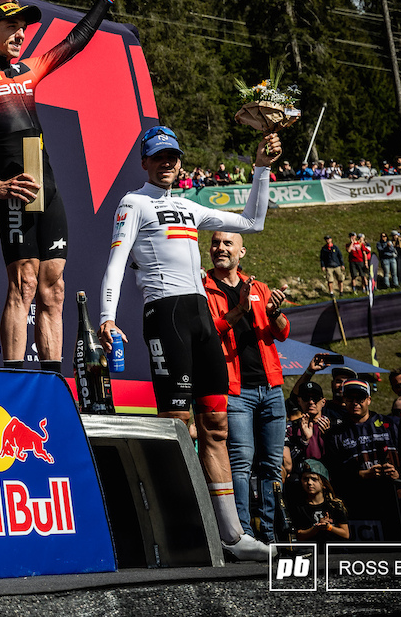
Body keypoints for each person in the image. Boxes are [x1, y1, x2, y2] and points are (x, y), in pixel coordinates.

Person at [98, 123, 280, 561]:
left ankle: (233, 536)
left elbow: (253, 221)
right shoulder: (133, 202)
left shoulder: (189, 206)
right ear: (145, 162)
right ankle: (181, 528)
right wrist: (107, 317)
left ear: (181, 162)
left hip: (200, 317)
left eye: (173, 157)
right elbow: (117, 262)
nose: (167, 164)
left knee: (216, 427)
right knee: (178, 425)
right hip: (166, 315)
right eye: (158, 157)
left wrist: (259, 169)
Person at [0, 0, 124, 372]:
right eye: (10, 26)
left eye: (23, 27)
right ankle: (12, 377)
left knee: (54, 289)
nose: (19, 33)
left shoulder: (31, 69)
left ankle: (51, 380)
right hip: (15, 187)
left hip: (46, 184)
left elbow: (76, 41)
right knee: (23, 283)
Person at [203, 231, 290, 542]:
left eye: (228, 244)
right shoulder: (203, 288)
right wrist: (239, 309)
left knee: (271, 465)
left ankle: (270, 533)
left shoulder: (259, 287)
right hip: (235, 390)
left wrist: (275, 312)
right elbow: (209, 332)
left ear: (242, 252)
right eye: (215, 243)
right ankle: (242, 534)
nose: (220, 248)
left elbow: (281, 333)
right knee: (240, 463)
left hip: (271, 387)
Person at [324, 378, 401, 540]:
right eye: (350, 398)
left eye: (360, 398)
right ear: (344, 400)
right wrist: (361, 474)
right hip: (358, 506)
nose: (355, 403)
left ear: (369, 399)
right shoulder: (335, 434)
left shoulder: (392, 424)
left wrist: (398, 474)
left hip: (396, 503)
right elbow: (334, 471)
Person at [287, 459, 350, 542]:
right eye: (305, 479)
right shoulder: (299, 506)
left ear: (323, 483)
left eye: (314, 479)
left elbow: (345, 534)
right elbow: (298, 536)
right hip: (310, 551)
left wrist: (328, 527)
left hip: (334, 552)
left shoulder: (335, 505)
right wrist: (316, 528)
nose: (309, 482)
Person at [288, 379, 330, 467]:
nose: (311, 402)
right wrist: (304, 441)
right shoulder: (290, 428)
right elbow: (288, 461)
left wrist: (329, 436)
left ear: (323, 402)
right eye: (305, 398)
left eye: (315, 398)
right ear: (299, 401)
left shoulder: (333, 426)